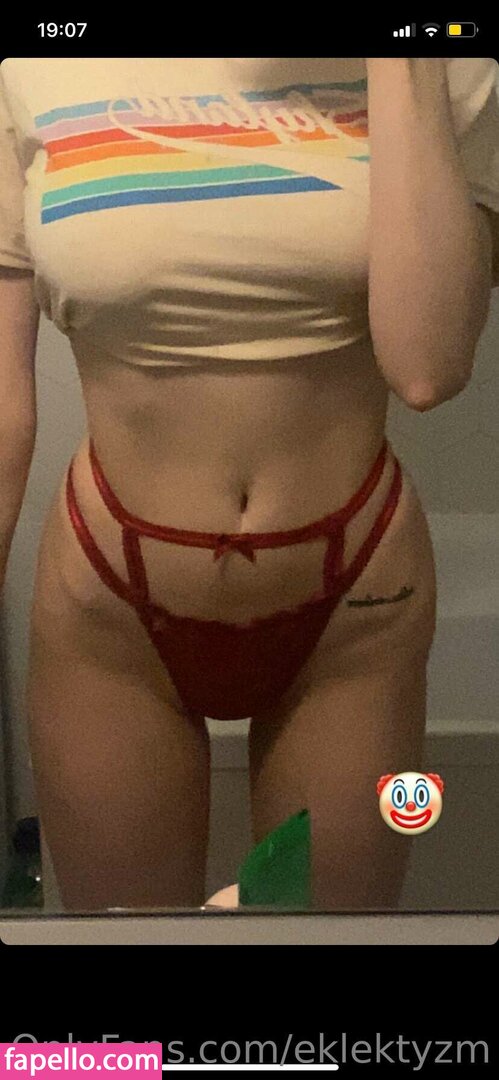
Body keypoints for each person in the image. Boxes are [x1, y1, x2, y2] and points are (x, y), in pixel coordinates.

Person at [0, 57, 498, 911]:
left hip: (354, 609)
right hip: (109, 604)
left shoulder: (445, 69)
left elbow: (427, 366)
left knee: (331, 948)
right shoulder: (33, 63)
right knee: (128, 957)